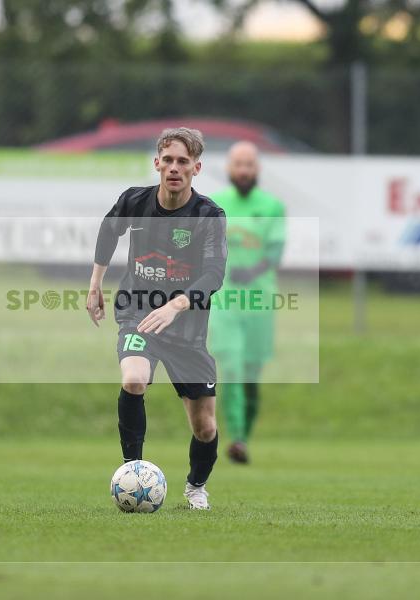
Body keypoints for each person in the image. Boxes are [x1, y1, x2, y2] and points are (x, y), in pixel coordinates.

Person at [87, 127, 227, 510]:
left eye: (183, 161)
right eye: (168, 160)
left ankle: (196, 487)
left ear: (196, 168)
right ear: (156, 163)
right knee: (134, 379)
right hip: (138, 312)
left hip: (187, 328)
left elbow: (214, 274)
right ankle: (133, 471)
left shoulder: (208, 214)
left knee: (206, 426)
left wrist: (175, 305)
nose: (174, 168)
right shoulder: (134, 201)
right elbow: (108, 230)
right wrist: (95, 282)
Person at [208, 141, 285, 465]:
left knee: (251, 375)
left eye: (249, 164)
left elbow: (274, 253)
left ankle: (244, 435)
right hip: (224, 301)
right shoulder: (215, 205)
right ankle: (236, 437)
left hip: (259, 301)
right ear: (228, 168)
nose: (243, 170)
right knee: (232, 366)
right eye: (238, 164)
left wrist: (251, 270)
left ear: (257, 169)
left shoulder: (271, 207)